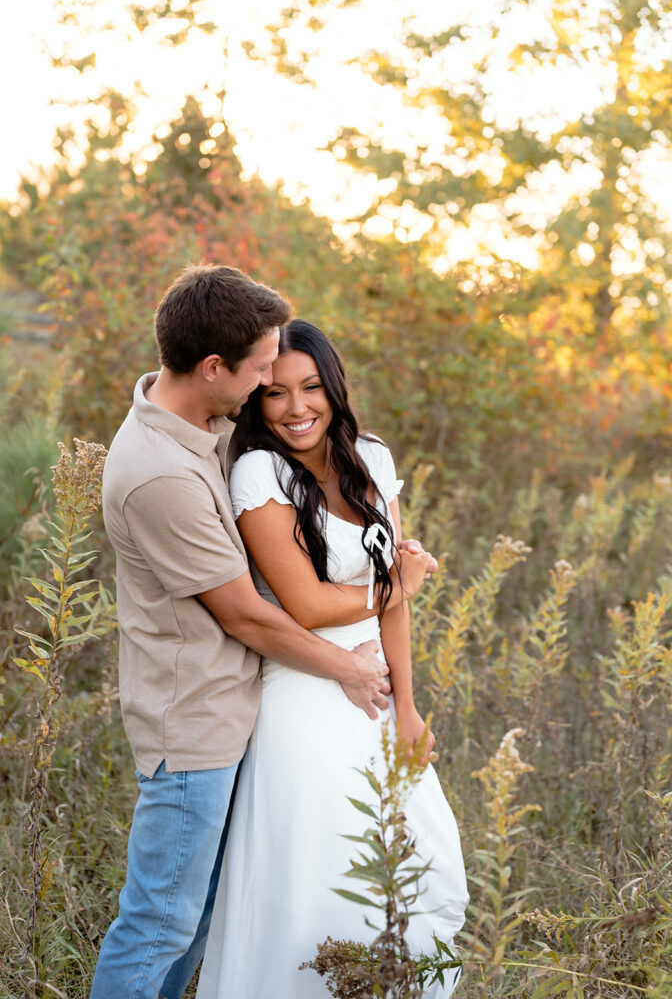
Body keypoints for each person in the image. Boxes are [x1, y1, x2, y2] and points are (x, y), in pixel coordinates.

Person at [91, 266, 435, 999]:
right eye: (260, 375)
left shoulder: (203, 427)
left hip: (241, 703)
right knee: (160, 921)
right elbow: (248, 611)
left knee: (204, 913)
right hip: (195, 721)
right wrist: (349, 659)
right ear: (214, 367)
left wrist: (398, 690)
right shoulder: (162, 474)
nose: (266, 393)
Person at [196, 320, 468, 999]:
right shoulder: (259, 471)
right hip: (302, 691)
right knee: (316, 876)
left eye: (311, 388)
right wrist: (393, 586)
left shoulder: (370, 459)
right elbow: (307, 604)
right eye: (276, 393)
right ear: (255, 401)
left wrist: (407, 706)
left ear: (333, 387)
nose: (296, 408)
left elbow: (394, 604)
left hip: (376, 694)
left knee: (414, 862)